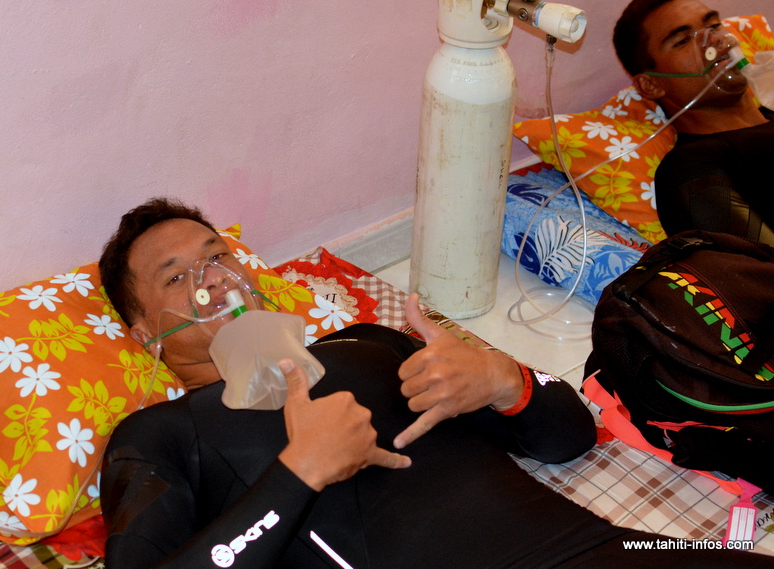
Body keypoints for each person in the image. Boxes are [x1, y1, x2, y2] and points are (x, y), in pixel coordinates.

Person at [98, 198, 774, 568]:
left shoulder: (365, 344)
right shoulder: (159, 436)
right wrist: (298, 474)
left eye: (216, 255)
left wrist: (508, 383)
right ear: (140, 330)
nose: (213, 279)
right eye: (177, 276)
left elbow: (569, 439)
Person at [613, 0, 774, 245]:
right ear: (652, 84)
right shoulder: (691, 169)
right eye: (683, 41)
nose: (716, 40)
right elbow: (759, 270)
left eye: (714, 25)